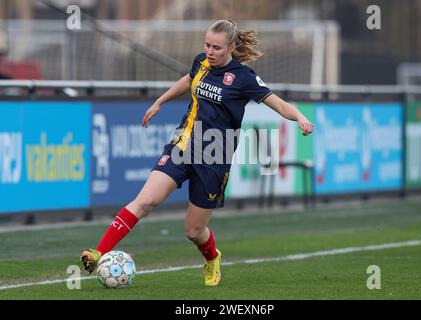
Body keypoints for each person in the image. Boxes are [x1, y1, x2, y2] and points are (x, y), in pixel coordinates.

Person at [80, 19, 313, 287]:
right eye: (207, 45)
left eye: (216, 47)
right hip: (183, 144)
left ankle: (212, 257)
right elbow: (189, 80)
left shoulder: (244, 78)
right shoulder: (201, 62)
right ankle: (98, 252)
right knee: (145, 201)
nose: (210, 51)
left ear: (231, 47)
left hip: (215, 155)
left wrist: (300, 118)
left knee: (193, 230)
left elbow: (279, 104)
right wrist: (159, 102)